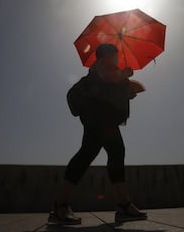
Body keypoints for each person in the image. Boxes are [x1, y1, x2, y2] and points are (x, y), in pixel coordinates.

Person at [48, 43, 147, 225]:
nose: (117, 58)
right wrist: (124, 75)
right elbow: (105, 80)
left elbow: (110, 88)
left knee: (111, 153)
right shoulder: (101, 65)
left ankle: (122, 205)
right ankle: (61, 205)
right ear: (106, 55)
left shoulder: (110, 69)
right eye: (115, 54)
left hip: (104, 117)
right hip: (98, 117)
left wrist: (127, 91)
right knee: (90, 154)